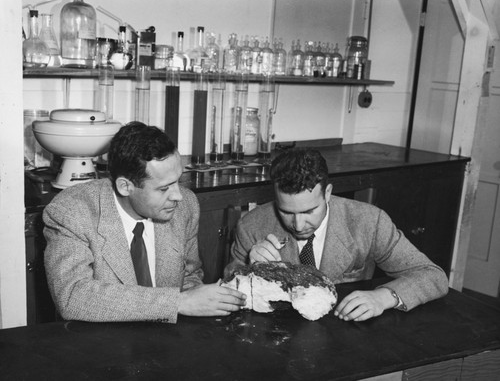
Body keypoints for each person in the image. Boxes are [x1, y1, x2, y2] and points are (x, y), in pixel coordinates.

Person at [44, 122, 246, 323]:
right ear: (125, 187)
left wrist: (205, 299)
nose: (178, 196)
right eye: (163, 188)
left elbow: (190, 275)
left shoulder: (185, 206)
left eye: (178, 180)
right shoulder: (72, 212)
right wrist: (177, 303)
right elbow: (72, 296)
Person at [225, 148, 448, 322]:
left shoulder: (368, 221)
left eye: (309, 211)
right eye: (286, 212)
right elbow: (228, 289)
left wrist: (384, 297)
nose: (298, 224)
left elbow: (433, 275)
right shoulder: (252, 226)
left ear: (328, 193)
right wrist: (249, 270)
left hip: (346, 335)